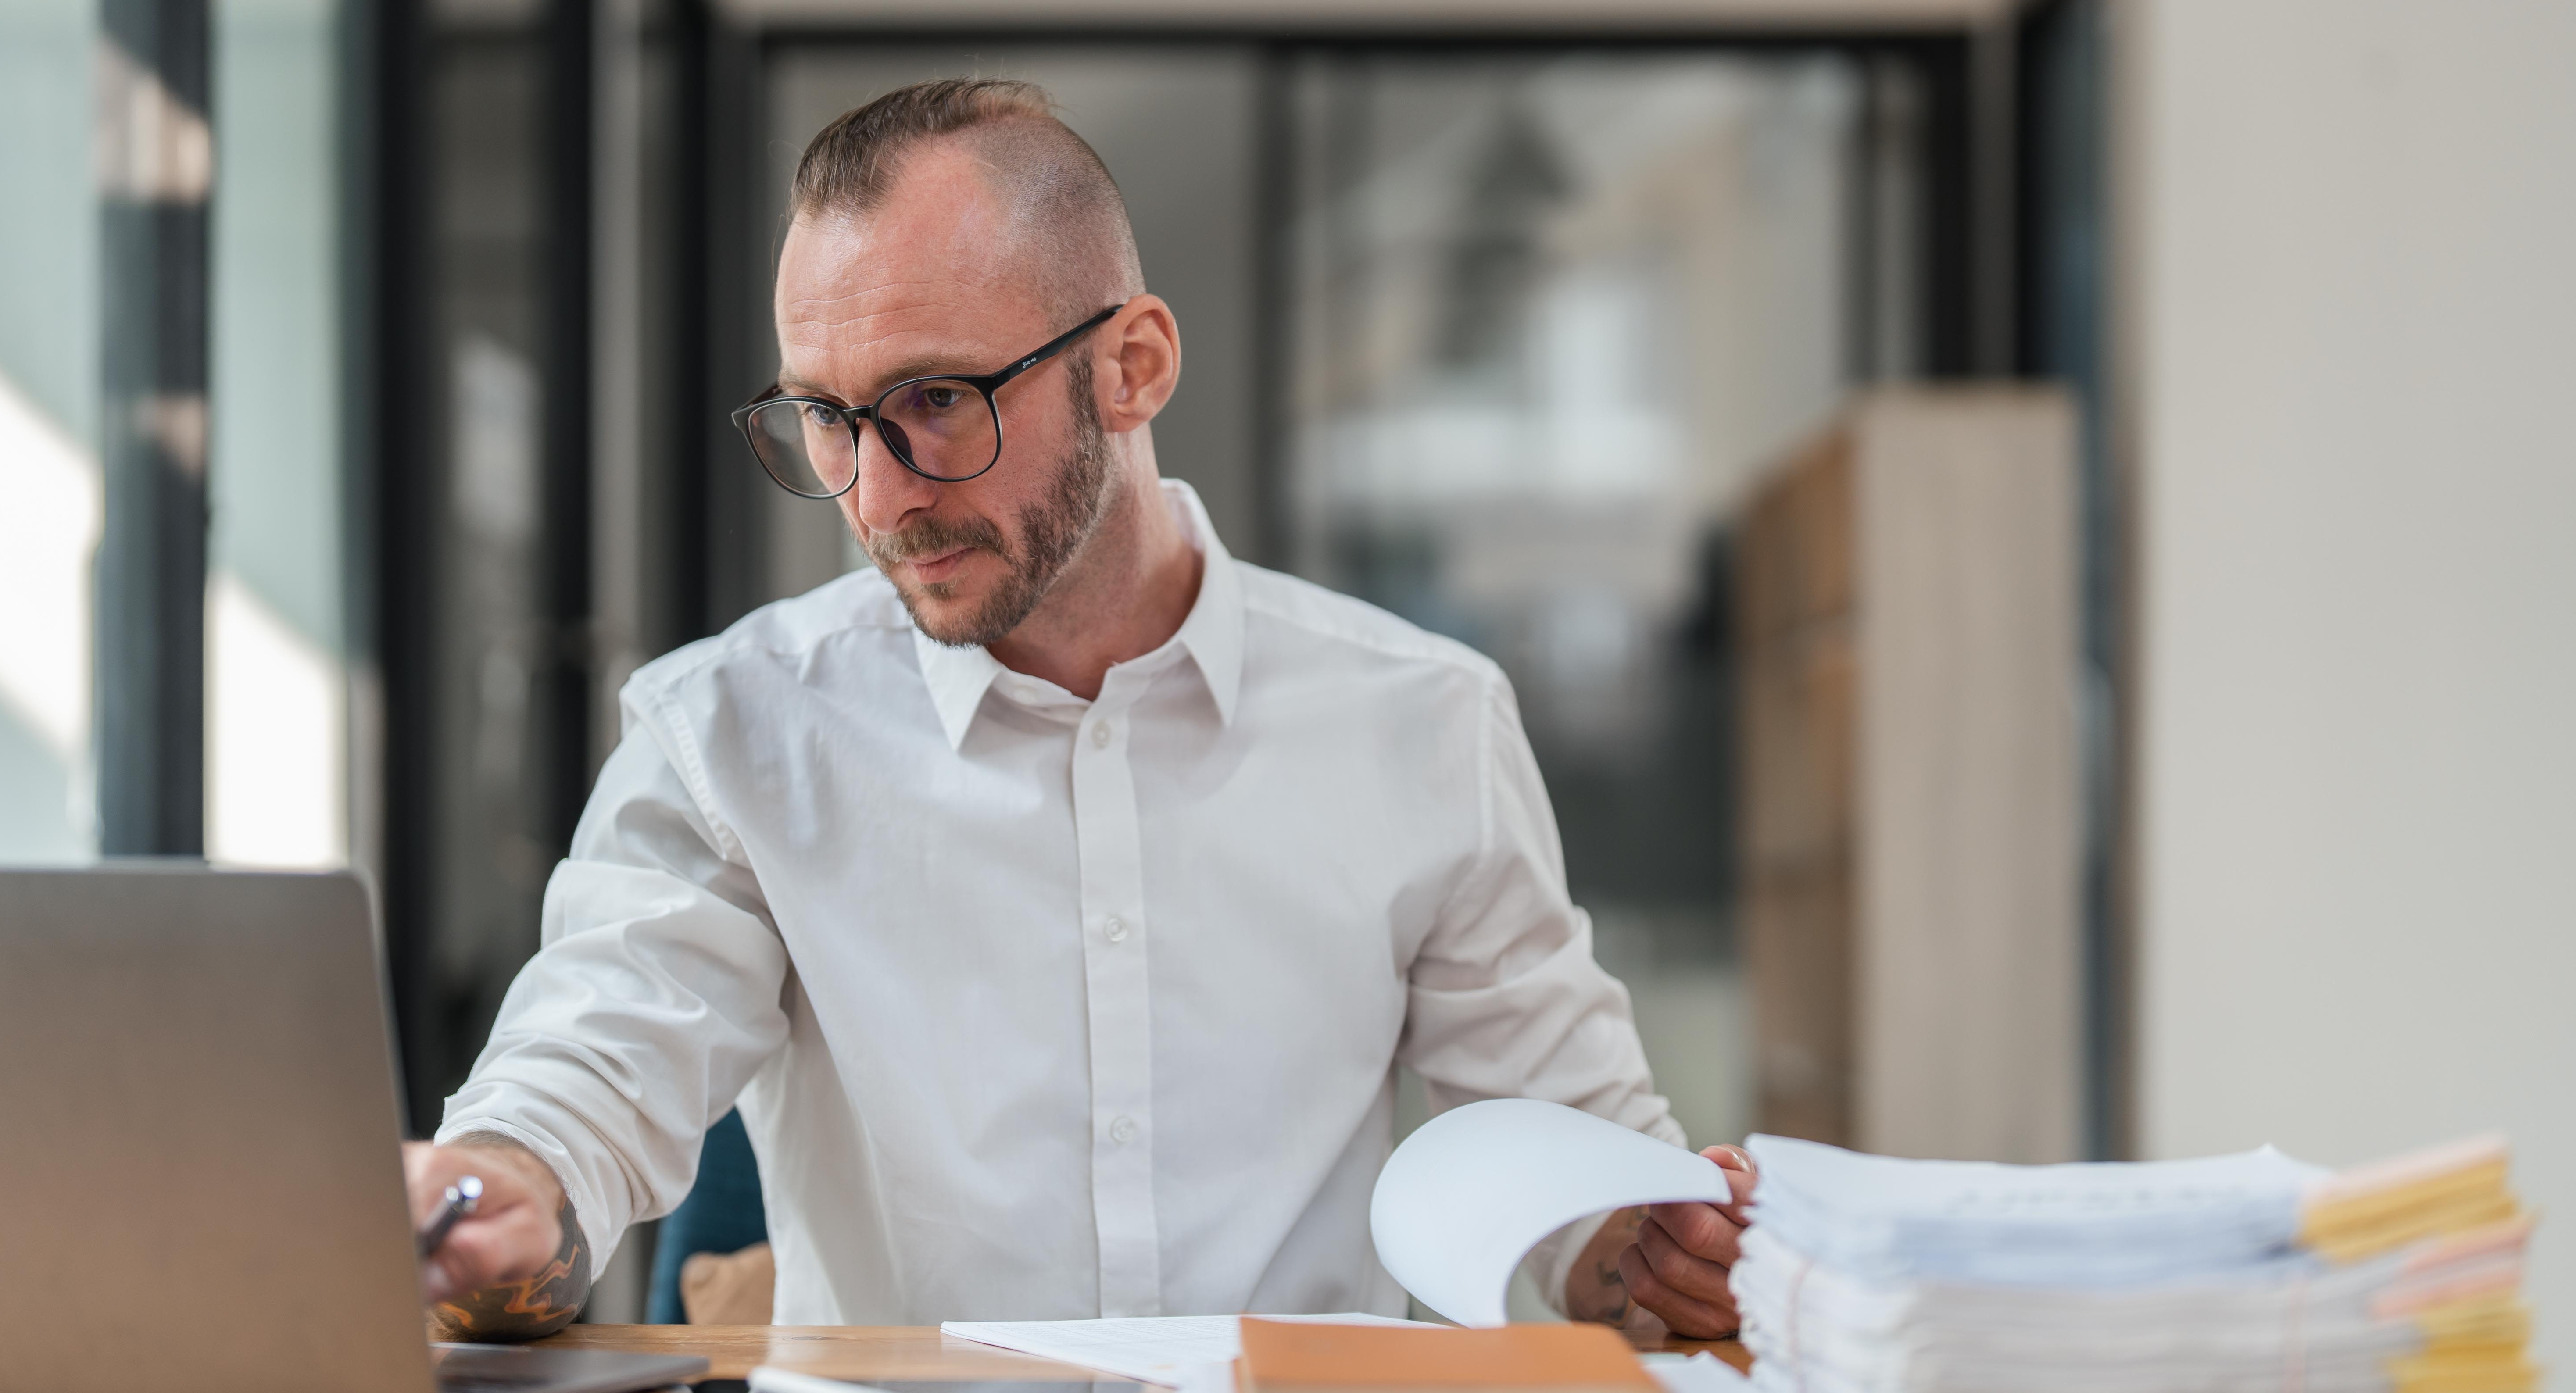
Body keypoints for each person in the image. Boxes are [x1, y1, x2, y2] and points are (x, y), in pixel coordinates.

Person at [401, 77, 1756, 1342]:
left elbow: (1569, 1158)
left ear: (1134, 366)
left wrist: (1645, 1245)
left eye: (936, 402)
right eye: (827, 417)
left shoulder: (1423, 725)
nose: (877, 498)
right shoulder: (730, 737)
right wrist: (504, 1185)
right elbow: (595, 1060)